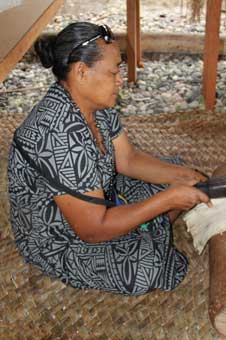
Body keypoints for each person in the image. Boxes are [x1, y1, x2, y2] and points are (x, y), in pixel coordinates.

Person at [8, 22, 210, 296]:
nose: (120, 80)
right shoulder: (57, 134)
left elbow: (127, 160)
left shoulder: (95, 106)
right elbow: (92, 229)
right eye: (114, 72)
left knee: (172, 169)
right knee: (142, 266)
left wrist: (181, 175)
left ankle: (148, 223)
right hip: (60, 235)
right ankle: (152, 224)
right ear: (81, 72)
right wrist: (167, 200)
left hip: (101, 196)